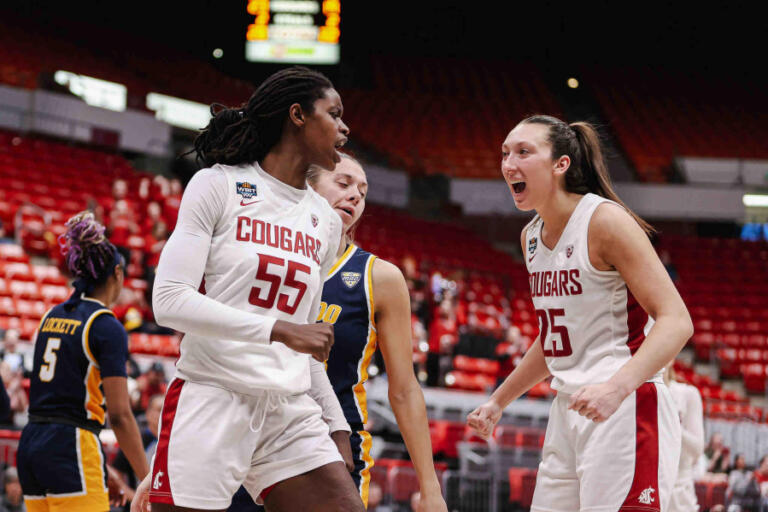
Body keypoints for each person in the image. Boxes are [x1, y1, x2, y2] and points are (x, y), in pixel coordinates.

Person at [130, 66, 364, 512]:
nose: (344, 127)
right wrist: (278, 329)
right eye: (333, 114)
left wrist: (334, 425)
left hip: (288, 409)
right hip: (213, 393)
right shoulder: (217, 184)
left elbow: (307, 341)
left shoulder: (325, 221)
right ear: (297, 115)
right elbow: (169, 299)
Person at [467, 115, 692, 511]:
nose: (508, 164)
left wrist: (617, 388)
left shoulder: (604, 221)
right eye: (504, 153)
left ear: (561, 164)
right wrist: (498, 400)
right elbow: (553, 338)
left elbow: (676, 320)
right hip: (569, 407)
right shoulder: (530, 236)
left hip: (624, 404)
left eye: (523, 152)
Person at [308, 155, 447, 511]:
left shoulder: (379, 277)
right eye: (343, 183)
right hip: (255, 433)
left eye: (362, 191)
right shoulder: (268, 259)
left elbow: (404, 389)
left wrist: (430, 489)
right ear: (307, 185)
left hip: (334, 446)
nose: (355, 195)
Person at [17, 212, 149, 511]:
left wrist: (100, 470)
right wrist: (146, 477)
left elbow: (58, 402)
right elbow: (119, 415)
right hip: (71, 446)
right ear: (117, 273)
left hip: (33, 444)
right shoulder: (106, 325)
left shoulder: (51, 315)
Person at [664, 363, 704, 512]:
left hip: (680, 493)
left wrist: (671, 424)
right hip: (646, 488)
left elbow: (697, 448)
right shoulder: (637, 392)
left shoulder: (687, 393)